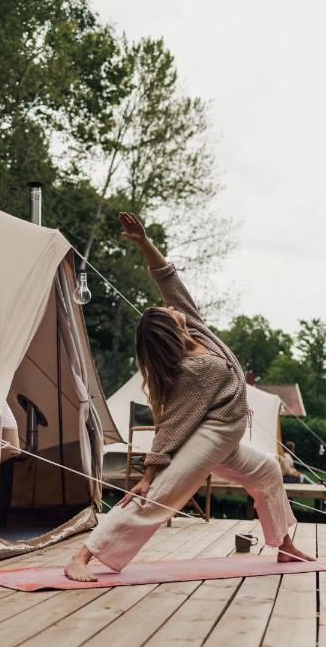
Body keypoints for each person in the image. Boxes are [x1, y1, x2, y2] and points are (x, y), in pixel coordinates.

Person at [64, 211, 313, 581]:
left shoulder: (194, 326)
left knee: (267, 470)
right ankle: (83, 557)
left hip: (229, 437)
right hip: (211, 435)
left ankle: (284, 545)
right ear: (169, 330)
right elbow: (174, 426)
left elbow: (167, 279)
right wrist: (149, 473)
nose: (171, 307)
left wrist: (144, 242)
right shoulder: (189, 372)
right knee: (158, 495)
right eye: (167, 311)